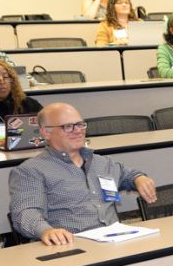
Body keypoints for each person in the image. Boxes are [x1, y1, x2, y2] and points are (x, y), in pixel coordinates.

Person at [9, 103, 159, 245]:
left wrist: (139, 178)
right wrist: (46, 231)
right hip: (71, 244)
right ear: (46, 133)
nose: (78, 130)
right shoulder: (30, 171)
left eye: (80, 124)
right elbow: (25, 213)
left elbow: (127, 174)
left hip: (115, 240)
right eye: (67, 127)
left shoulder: (101, 162)